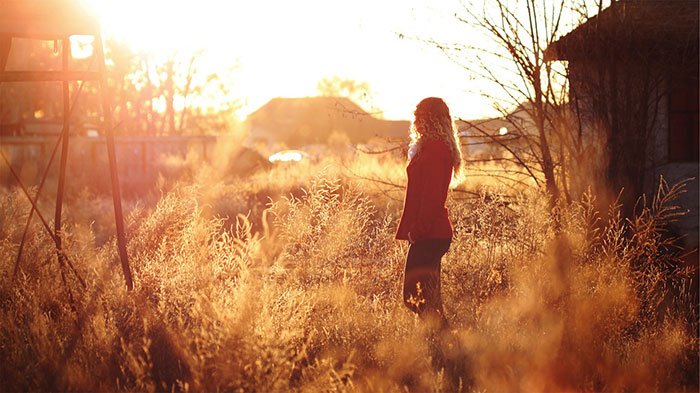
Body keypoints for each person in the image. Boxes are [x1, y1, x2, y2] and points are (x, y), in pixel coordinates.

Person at [395, 97, 462, 328]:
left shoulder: (435, 150)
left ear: (431, 118)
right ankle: (442, 345)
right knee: (428, 298)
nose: (415, 120)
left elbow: (433, 198)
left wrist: (417, 230)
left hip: (430, 233)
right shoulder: (430, 148)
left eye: (420, 115)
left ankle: (443, 340)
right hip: (430, 233)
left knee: (415, 297)